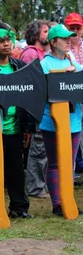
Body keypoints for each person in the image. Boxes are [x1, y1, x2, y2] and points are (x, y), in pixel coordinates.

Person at [0, 23, 34, 219]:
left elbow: (28, 97)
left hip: (15, 127)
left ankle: (19, 207)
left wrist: (28, 128)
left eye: (8, 40)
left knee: (16, 169)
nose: (6, 44)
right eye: (1, 41)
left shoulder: (19, 66)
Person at [39, 24, 82, 216]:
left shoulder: (73, 61)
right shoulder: (44, 65)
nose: (68, 41)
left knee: (70, 163)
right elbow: (42, 93)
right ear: (53, 42)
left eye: (70, 38)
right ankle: (57, 203)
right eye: (64, 38)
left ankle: (69, 200)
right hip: (52, 123)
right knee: (55, 162)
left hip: (74, 121)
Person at [19, 20, 50, 199]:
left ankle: (41, 185)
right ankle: (35, 187)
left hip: (41, 107)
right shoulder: (30, 53)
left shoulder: (41, 53)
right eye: (45, 31)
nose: (47, 34)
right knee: (38, 149)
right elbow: (30, 83)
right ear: (36, 34)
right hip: (35, 107)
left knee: (42, 148)